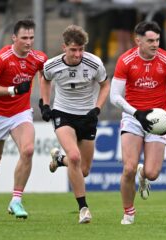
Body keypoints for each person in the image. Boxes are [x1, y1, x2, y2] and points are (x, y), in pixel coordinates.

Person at [110, 21, 166, 225]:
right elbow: (114, 96)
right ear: (138, 41)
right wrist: (137, 113)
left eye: (157, 40)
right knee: (128, 168)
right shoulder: (126, 61)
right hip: (133, 117)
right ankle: (129, 212)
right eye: (150, 40)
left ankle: (144, 175)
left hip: (159, 119)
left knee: (152, 173)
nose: (155, 44)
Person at [0, 18, 47, 219]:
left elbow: (46, 76)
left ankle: (16, 200)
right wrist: (13, 90)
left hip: (20, 113)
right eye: (24, 37)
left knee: (28, 150)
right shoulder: (1, 58)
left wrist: (45, 101)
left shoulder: (38, 58)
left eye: (32, 37)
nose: (29, 42)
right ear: (14, 38)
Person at [39, 24, 110, 224]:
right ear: (64, 48)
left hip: (87, 116)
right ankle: (83, 209)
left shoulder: (94, 63)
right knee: (75, 156)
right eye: (73, 50)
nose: (77, 54)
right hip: (63, 114)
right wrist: (45, 104)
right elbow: (44, 79)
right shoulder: (52, 65)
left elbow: (105, 85)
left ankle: (59, 160)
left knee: (84, 169)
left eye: (81, 49)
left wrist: (97, 109)